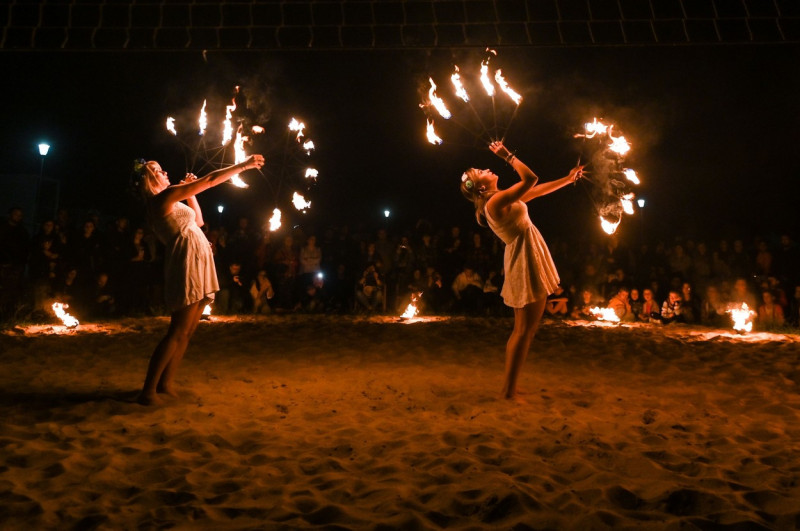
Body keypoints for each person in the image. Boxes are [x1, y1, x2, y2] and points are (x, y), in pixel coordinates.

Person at [131, 154, 265, 405]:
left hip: (198, 256)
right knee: (178, 329)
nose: (166, 173)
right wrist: (243, 166)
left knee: (189, 330)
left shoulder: (173, 197)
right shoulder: (160, 199)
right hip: (187, 260)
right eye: (159, 171)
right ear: (150, 180)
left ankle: (165, 384)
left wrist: (190, 193)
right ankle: (147, 391)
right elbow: (211, 179)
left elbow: (199, 221)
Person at [460, 140, 583, 400]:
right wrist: (508, 156)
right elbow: (530, 178)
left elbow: (535, 190)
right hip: (525, 260)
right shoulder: (494, 203)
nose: (487, 168)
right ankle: (508, 390)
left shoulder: (499, 199)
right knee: (523, 330)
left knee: (525, 329)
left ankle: (511, 387)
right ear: (482, 187)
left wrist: (568, 179)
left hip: (527, 255)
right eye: (482, 171)